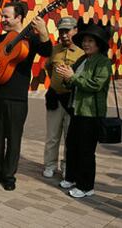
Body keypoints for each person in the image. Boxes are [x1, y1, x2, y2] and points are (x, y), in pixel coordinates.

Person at [0, 1, 52, 191]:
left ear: (19, 18)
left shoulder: (32, 40)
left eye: (6, 16)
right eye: (2, 16)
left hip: (18, 98)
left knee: (14, 138)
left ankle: (8, 175)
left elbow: (47, 51)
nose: (2, 20)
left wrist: (43, 32)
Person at [56, 21, 112, 198]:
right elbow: (71, 80)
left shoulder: (103, 62)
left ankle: (86, 186)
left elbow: (95, 85)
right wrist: (65, 74)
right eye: (85, 41)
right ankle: (71, 177)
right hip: (76, 110)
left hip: (91, 113)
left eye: (91, 41)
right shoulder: (82, 59)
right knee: (72, 146)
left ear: (98, 44)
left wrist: (72, 77)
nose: (86, 44)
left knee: (86, 151)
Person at [43, 17, 84, 178]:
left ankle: (67, 165)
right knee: (52, 135)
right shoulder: (54, 50)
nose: (64, 35)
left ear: (75, 30)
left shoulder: (82, 52)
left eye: (67, 31)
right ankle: (50, 164)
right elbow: (48, 69)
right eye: (61, 31)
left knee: (70, 136)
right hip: (54, 97)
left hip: (72, 99)